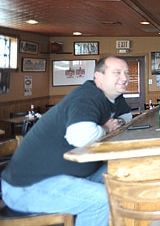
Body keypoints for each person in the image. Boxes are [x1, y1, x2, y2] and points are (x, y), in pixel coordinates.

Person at [1, 56, 133, 226]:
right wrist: (106, 129)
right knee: (101, 200)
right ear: (98, 76)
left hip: (71, 175)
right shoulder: (87, 97)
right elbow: (79, 137)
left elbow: (126, 117)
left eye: (126, 73)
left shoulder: (114, 97)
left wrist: (116, 123)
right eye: (117, 72)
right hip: (28, 187)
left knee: (124, 170)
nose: (124, 77)